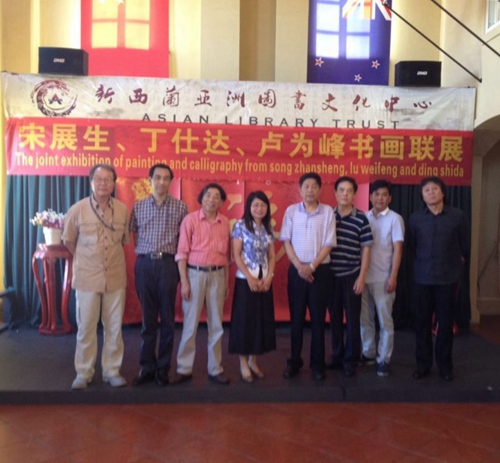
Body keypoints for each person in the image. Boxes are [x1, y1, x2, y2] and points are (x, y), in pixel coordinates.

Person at [63, 164, 130, 390]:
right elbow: (69, 241)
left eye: (108, 179)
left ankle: (112, 371)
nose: (103, 183)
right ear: (91, 182)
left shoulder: (122, 210)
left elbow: (125, 240)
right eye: (99, 179)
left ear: (114, 183)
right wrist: (87, 259)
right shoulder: (77, 209)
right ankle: (84, 372)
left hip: (115, 276)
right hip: (87, 277)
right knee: (86, 327)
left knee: (114, 327)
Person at [129, 163, 188, 387]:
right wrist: (146, 254)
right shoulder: (139, 206)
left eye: (166, 178)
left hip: (168, 265)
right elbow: (135, 235)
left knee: (168, 320)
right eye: (157, 177)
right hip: (144, 264)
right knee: (148, 320)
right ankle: (146, 368)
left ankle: (163, 369)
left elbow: (183, 240)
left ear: (171, 182)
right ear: (150, 180)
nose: (161, 182)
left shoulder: (181, 207)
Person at [409, 176, 469, 382]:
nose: (431, 192)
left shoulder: (457, 216)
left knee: (445, 325)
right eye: (427, 190)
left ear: (443, 192)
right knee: (422, 324)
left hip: (448, 279)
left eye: (435, 189)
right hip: (422, 278)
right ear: (422, 195)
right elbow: (412, 247)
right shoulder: (416, 218)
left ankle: (445, 366)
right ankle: (423, 365)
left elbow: (464, 246)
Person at [172, 183, 231, 385]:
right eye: (208, 195)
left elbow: (227, 257)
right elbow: (181, 253)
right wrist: (184, 282)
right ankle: (184, 368)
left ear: (221, 202)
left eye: (216, 197)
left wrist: (226, 282)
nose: (212, 199)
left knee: (216, 325)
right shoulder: (190, 220)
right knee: (190, 325)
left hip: (218, 276)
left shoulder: (225, 222)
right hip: (194, 275)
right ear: (201, 198)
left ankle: (215, 368)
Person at [280, 173, 336, 381]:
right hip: (297, 271)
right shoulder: (291, 211)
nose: (310, 190)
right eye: (306, 186)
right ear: (300, 189)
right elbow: (286, 240)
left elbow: (329, 243)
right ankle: (294, 362)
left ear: (320, 189)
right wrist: (300, 267)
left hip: (320, 272)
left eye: (314, 186)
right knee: (296, 319)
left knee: (318, 320)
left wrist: (311, 267)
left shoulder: (328, 211)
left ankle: (317, 365)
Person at [229, 191, 276, 383]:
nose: (259, 208)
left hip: (264, 280)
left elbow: (271, 255)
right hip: (245, 280)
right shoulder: (240, 226)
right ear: (249, 207)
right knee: (244, 321)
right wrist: (249, 277)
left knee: (260, 321)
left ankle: (253, 361)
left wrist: (270, 277)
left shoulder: (268, 227)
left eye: (263, 205)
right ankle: (243, 363)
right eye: (255, 205)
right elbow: (236, 254)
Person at [327, 176, 373, 377]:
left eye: (349, 191)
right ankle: (337, 355)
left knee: (353, 320)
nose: (345, 194)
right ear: (335, 193)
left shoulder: (361, 218)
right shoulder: (328, 216)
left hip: (352, 275)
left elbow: (366, 249)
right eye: (341, 190)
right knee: (335, 318)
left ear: (355, 194)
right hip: (330, 276)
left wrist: (361, 277)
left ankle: (351, 359)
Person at [360, 179, 405, 377]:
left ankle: (384, 359)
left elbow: (398, 249)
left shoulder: (395, 219)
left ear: (390, 198)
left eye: (384, 194)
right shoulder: (364, 217)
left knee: (385, 321)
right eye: (376, 194)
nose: (380, 198)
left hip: (384, 278)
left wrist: (393, 276)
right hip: (363, 277)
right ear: (370, 197)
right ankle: (368, 352)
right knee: (365, 319)